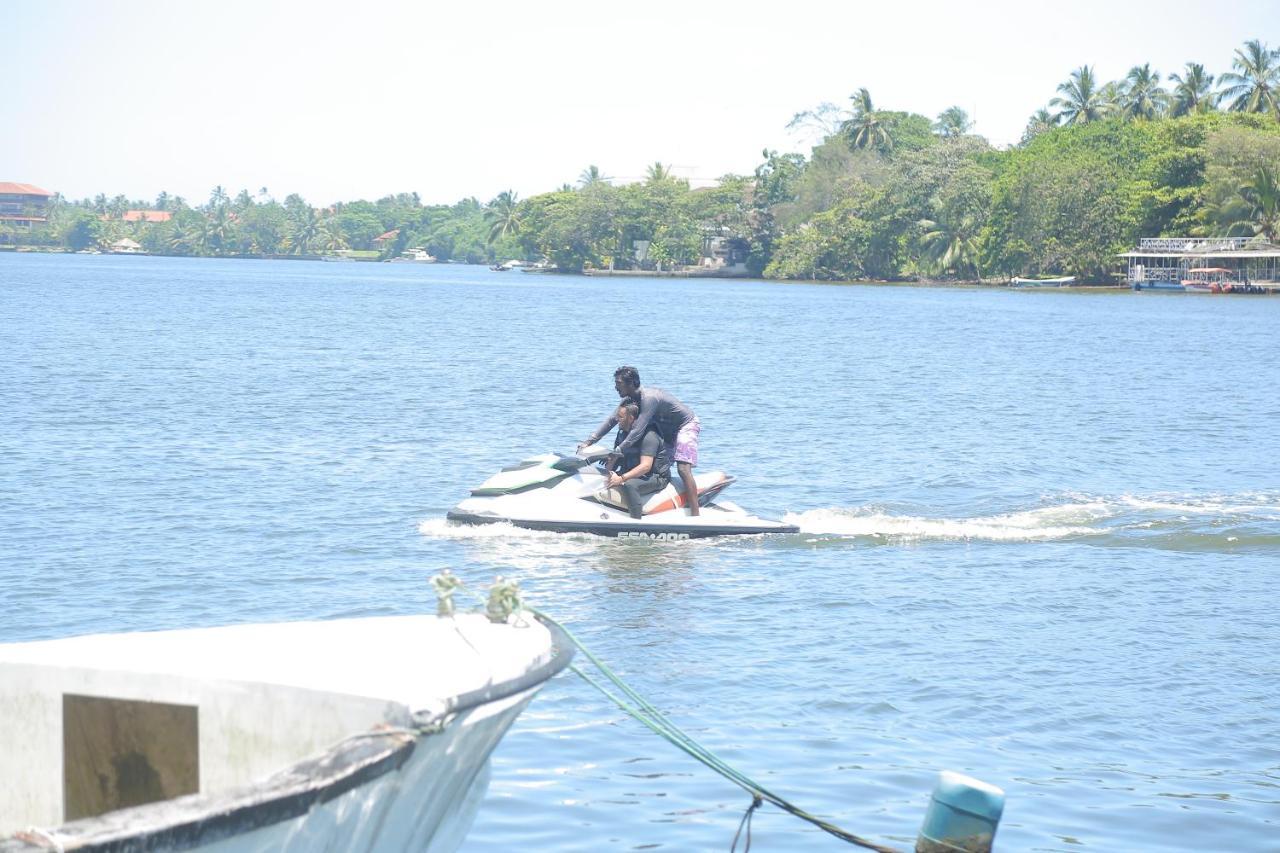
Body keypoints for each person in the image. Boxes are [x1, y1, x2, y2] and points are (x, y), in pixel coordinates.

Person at [581, 366, 702, 516]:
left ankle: (695, 515)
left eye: (619, 383)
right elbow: (612, 420)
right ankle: (666, 504)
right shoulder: (629, 400)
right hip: (666, 430)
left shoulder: (649, 398)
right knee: (660, 465)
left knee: (683, 469)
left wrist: (617, 451)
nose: (615, 387)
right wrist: (589, 441)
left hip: (684, 425)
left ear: (631, 383)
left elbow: (637, 430)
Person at [603, 399, 671, 518]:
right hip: (633, 470)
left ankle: (635, 521)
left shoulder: (649, 435)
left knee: (630, 485)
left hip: (656, 477)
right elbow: (614, 460)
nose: (617, 420)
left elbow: (646, 466)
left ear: (631, 418)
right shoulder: (622, 434)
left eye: (621, 417)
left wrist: (621, 478)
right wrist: (609, 472)